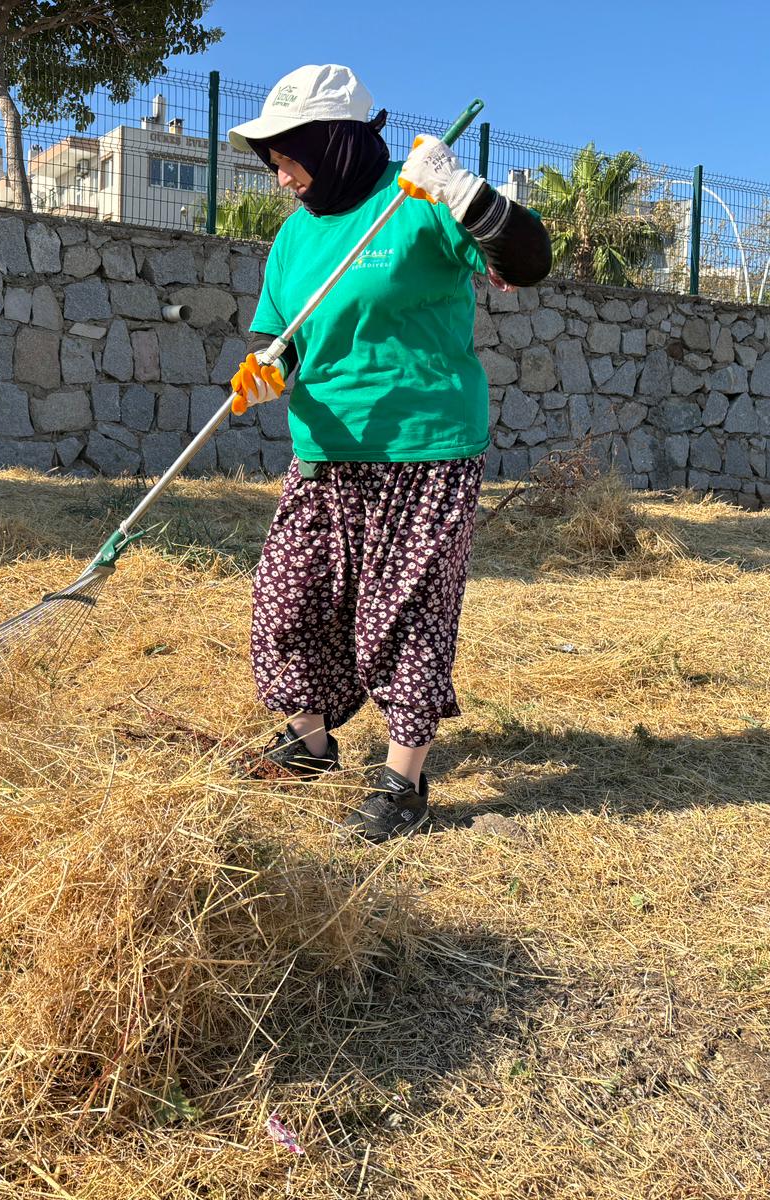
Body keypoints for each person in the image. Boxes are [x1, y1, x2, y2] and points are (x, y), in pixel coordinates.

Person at [224, 65, 551, 841]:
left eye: (286, 152)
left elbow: (529, 263)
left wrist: (461, 192)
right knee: (288, 601)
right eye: (271, 159)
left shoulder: (415, 202)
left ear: (329, 139)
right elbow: (283, 333)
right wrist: (270, 368)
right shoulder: (296, 235)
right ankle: (308, 746)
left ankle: (403, 782)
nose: (279, 172)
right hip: (326, 451)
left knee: (403, 614)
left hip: (426, 447)